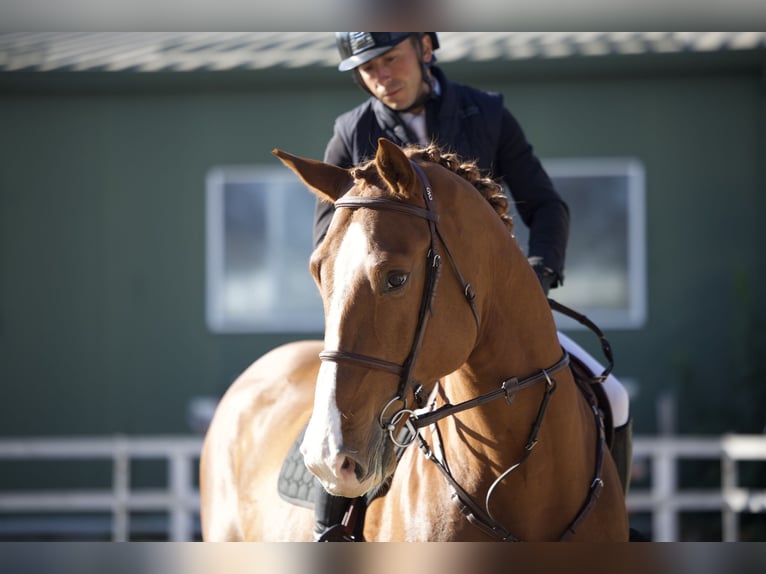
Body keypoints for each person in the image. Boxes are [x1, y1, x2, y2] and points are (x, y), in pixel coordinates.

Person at [311, 32, 632, 541]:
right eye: (367, 71)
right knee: (345, 414)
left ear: (424, 48)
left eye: (390, 60)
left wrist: (536, 277)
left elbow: (545, 205)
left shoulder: (485, 113)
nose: (381, 78)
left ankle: (612, 521)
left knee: (611, 395)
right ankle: (331, 529)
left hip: (497, 310)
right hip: (409, 320)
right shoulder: (353, 131)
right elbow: (335, 246)